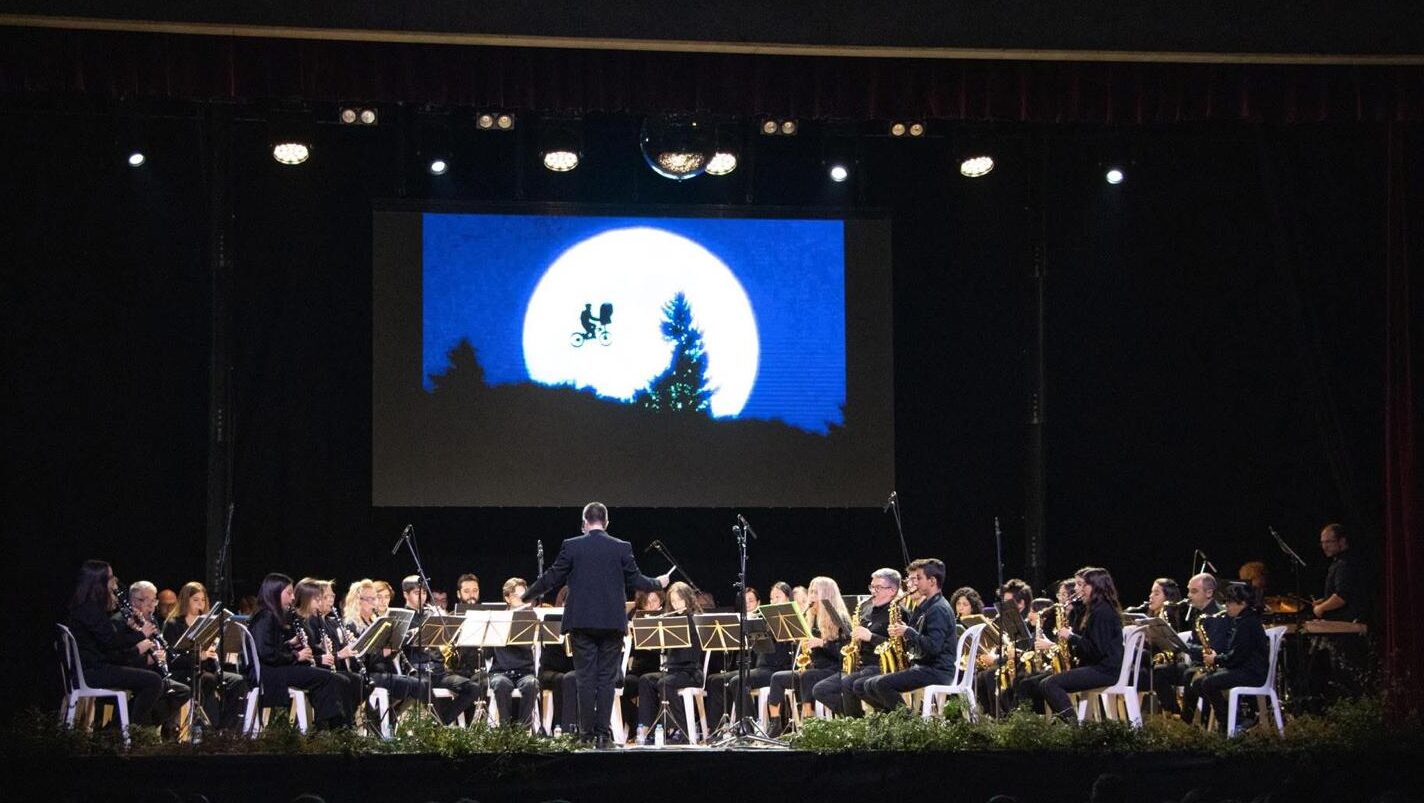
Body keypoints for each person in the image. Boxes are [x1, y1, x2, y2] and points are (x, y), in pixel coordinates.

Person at [521, 502, 670, 748]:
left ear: (583, 523)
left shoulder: (572, 545)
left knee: (585, 678)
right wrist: (658, 582)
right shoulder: (621, 547)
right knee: (606, 679)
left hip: (581, 623)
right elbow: (636, 580)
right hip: (611, 624)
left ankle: (586, 734)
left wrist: (527, 596)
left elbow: (552, 576)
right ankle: (603, 734)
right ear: (607, 522)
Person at [63, 562, 167, 736]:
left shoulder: (86, 606)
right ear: (99, 582)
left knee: (147, 677)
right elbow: (111, 642)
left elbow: (106, 639)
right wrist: (141, 635)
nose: (115, 583)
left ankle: (117, 728)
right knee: (154, 681)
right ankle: (127, 731)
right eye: (111, 578)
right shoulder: (90, 609)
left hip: (92, 667)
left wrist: (128, 630)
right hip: (93, 672)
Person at [248, 573, 348, 730]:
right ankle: (330, 728)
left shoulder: (270, 615)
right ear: (274, 593)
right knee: (325, 677)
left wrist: (290, 644)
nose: (293, 597)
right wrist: (297, 655)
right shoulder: (265, 616)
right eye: (288, 593)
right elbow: (266, 654)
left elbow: (272, 649)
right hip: (268, 674)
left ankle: (327, 726)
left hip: (272, 669)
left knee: (324, 676)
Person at [1025, 566, 1123, 724]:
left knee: (1050, 684)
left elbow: (1096, 649)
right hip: (1099, 667)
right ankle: (1073, 726)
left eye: (1083, 585)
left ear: (1096, 587)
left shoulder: (1102, 612)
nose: (1079, 589)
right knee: (1044, 683)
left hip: (1105, 670)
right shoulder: (1094, 610)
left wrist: (1071, 637)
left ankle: (1074, 729)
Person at [861, 559, 957, 712]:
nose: (914, 583)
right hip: (924, 666)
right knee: (868, 684)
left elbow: (933, 647)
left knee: (880, 684)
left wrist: (908, 632)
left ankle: (908, 722)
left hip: (937, 670)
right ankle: (895, 719)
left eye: (918, 578)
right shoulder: (927, 606)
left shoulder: (938, 609)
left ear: (932, 581)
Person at [765, 576, 851, 735]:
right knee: (777, 677)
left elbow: (845, 652)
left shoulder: (839, 617)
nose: (811, 596)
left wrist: (823, 643)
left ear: (827, 595)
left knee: (807, 676)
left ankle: (809, 724)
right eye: (810, 591)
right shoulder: (811, 618)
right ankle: (775, 725)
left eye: (815, 592)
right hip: (815, 668)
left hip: (834, 669)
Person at [813, 568, 904, 718]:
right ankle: (859, 718)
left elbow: (900, 646)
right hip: (862, 664)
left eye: (878, 587)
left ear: (892, 590)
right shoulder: (866, 609)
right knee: (821, 689)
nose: (873, 591)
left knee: (850, 683)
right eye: (872, 587)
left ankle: (859, 722)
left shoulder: (899, 612)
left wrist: (871, 637)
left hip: (883, 664)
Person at [704, 581, 796, 728]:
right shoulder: (764, 619)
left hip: (778, 670)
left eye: (777, 597)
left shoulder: (791, 618)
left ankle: (749, 726)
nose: (773, 601)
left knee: (737, 681)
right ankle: (717, 727)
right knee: (716, 680)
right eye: (771, 598)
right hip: (762, 668)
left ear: (788, 598)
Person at [1182, 582, 1269, 733]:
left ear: (1242, 603)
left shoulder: (1247, 623)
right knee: (1199, 681)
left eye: (1229, 602)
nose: (1226, 605)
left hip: (1252, 673)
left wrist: (1215, 659)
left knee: (1209, 682)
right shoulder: (1242, 620)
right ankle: (1231, 718)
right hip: (1244, 669)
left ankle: (1232, 723)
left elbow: (1236, 657)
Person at [163, 581, 250, 733]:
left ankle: (228, 729)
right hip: (183, 672)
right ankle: (209, 728)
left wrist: (214, 651)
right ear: (185, 600)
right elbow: (173, 659)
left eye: (203, 600)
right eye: (195, 600)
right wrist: (199, 657)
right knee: (208, 680)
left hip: (205, 670)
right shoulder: (173, 624)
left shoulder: (208, 624)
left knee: (238, 681)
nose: (200, 604)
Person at [403, 575, 485, 726]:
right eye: (416, 593)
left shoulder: (431, 613)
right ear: (406, 595)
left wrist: (445, 620)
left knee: (473, 688)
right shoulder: (403, 617)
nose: (421, 597)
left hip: (439, 672)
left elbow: (449, 639)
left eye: (423, 593)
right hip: (418, 672)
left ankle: (438, 723)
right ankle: (440, 723)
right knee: (424, 687)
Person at [117, 580, 193, 737]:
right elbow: (120, 656)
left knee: (182, 691)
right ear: (134, 600)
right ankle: (134, 729)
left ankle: (144, 727)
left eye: (154, 600)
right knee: (155, 685)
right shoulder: (122, 621)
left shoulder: (150, 620)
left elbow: (156, 646)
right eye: (147, 601)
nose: (152, 606)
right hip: (130, 670)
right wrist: (148, 660)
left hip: (150, 670)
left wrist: (161, 654)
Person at [342, 579, 422, 725]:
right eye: (371, 599)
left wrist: (395, 645)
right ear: (357, 601)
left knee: (419, 685)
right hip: (365, 674)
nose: (375, 603)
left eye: (375, 598)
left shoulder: (374, 621)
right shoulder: (351, 625)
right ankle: (378, 717)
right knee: (410, 685)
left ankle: (385, 717)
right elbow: (358, 659)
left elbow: (382, 653)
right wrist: (383, 653)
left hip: (382, 670)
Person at [635, 581, 705, 744]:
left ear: (688, 600)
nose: (676, 605)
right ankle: (647, 730)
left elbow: (694, 652)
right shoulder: (672, 620)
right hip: (673, 671)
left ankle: (682, 731)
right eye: (673, 602)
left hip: (691, 672)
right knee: (646, 680)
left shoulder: (695, 619)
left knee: (665, 683)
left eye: (679, 601)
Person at [1153, 572, 1229, 718]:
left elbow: (1214, 650)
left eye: (1194, 591)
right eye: (1188, 590)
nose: (1188, 595)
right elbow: (1193, 643)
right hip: (1195, 663)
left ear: (1209, 593)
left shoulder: (1217, 616)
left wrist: (1186, 647)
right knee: (1160, 671)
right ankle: (1173, 712)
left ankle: (1187, 719)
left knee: (1189, 674)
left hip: (1211, 666)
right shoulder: (1198, 613)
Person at [489, 577, 541, 728]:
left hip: (525, 672)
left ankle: (523, 730)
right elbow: (488, 650)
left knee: (532, 684)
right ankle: (505, 730)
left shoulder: (530, 618)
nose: (523, 600)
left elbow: (528, 647)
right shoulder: (497, 619)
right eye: (518, 596)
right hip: (501, 671)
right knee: (501, 684)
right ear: (507, 598)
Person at [537, 586, 578, 735]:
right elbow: (551, 659)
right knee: (563, 679)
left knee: (571, 678)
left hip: (572, 671)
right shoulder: (553, 620)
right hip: (550, 670)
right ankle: (559, 726)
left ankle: (574, 726)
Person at [1313, 523, 1365, 621]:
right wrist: (1324, 601)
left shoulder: (1345, 563)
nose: (1324, 547)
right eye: (1322, 543)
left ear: (1342, 541)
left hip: (1347, 624)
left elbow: (1342, 597)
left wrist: (1321, 608)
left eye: (1328, 542)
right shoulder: (1339, 562)